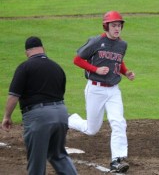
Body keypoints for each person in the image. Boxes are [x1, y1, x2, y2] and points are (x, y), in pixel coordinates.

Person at [68, 10, 135, 173]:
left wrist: (125, 72)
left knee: (118, 121)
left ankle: (117, 160)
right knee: (92, 129)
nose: (117, 28)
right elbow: (77, 59)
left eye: (119, 25)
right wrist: (95, 69)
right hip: (95, 89)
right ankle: (68, 120)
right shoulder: (96, 41)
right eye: (114, 25)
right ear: (106, 26)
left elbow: (118, 61)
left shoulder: (122, 44)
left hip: (113, 90)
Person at [2, 36, 77, 175]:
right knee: (58, 155)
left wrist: (7, 116)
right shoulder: (57, 67)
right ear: (43, 49)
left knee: (37, 161)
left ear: (27, 52)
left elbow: (14, 95)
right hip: (61, 113)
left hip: (39, 117)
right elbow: (61, 92)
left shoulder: (25, 67)